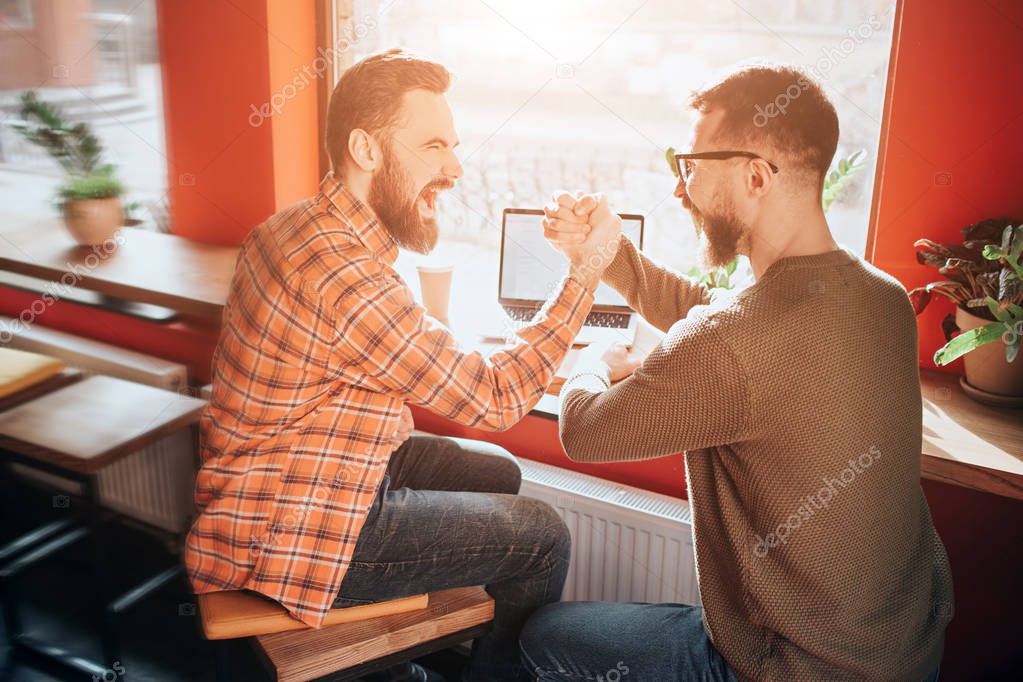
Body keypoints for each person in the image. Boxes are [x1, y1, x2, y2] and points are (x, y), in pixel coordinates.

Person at [184, 49, 622, 682]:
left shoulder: (296, 227)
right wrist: (584, 273)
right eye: (434, 146)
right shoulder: (347, 277)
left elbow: (365, 355)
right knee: (543, 535)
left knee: (496, 474)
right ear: (366, 148)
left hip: (290, 469)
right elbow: (497, 400)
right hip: (290, 534)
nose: (454, 167)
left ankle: (392, 666)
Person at [519, 64, 953, 681]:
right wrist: (609, 254)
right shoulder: (883, 298)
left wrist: (594, 359)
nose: (679, 190)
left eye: (690, 167)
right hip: (907, 655)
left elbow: (584, 430)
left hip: (791, 670)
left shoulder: (732, 342)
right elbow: (723, 318)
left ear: (755, 175)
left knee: (540, 637)